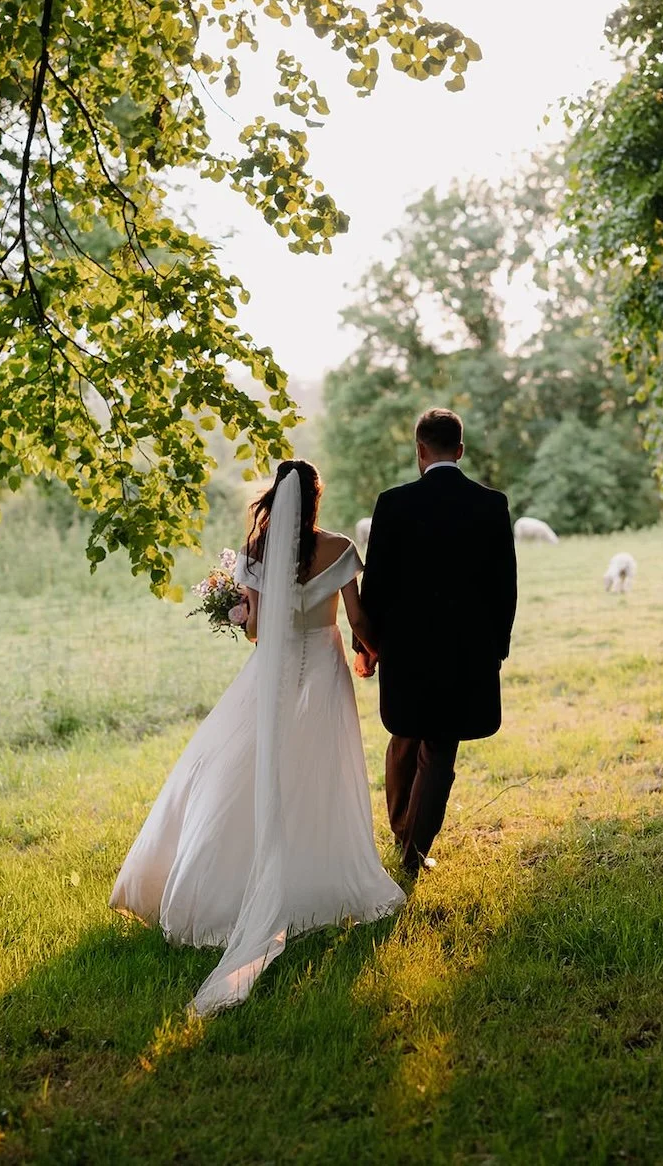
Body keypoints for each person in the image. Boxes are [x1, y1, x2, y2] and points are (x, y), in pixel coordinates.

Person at [109, 460, 404, 1015]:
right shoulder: (339, 548)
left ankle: (219, 887)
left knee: (243, 769)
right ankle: (314, 881)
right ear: (315, 497)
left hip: (270, 678)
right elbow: (358, 618)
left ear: (276, 495)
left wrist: (244, 611)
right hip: (322, 668)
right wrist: (374, 652)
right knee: (318, 774)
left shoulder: (253, 553)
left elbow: (255, 634)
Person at [356, 409, 518, 874]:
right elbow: (504, 585)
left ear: (420, 451)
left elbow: (377, 585)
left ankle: (404, 835)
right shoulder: (491, 504)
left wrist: (365, 647)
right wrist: (497, 649)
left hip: (406, 652)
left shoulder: (392, 503)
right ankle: (412, 849)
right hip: (467, 653)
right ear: (460, 451)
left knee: (404, 737)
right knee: (439, 750)